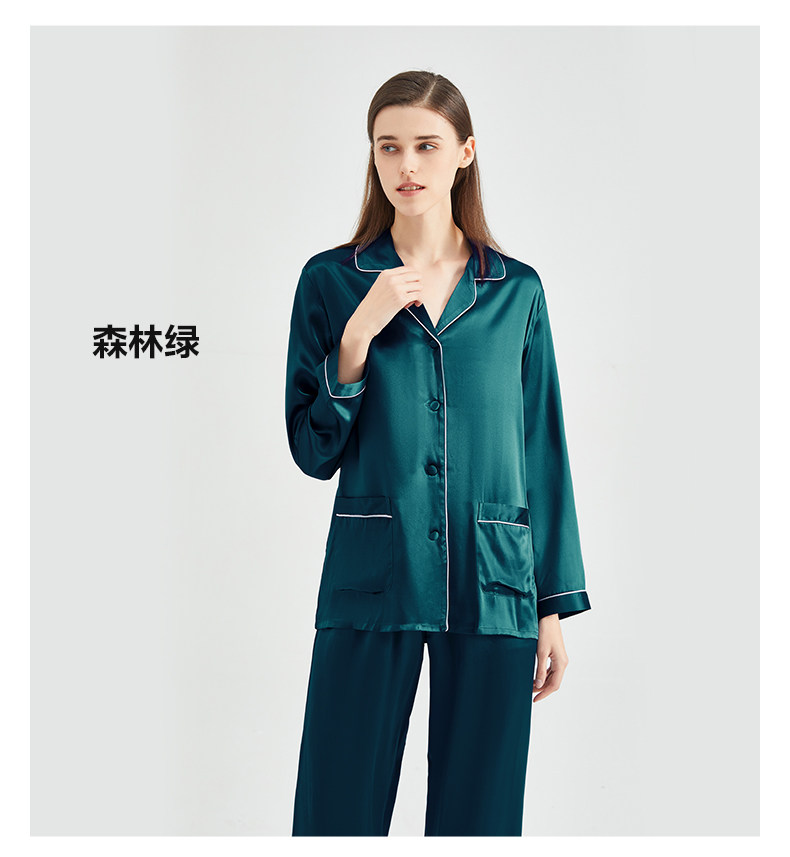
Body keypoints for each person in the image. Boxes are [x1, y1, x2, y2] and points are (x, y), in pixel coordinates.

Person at [284, 69, 592, 837]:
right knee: (335, 814)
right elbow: (312, 448)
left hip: (495, 582)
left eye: (426, 145)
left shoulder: (517, 291)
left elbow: (542, 449)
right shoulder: (331, 281)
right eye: (388, 147)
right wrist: (360, 332)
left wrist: (552, 606)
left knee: (480, 822)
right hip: (373, 577)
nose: (407, 165)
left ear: (465, 153)